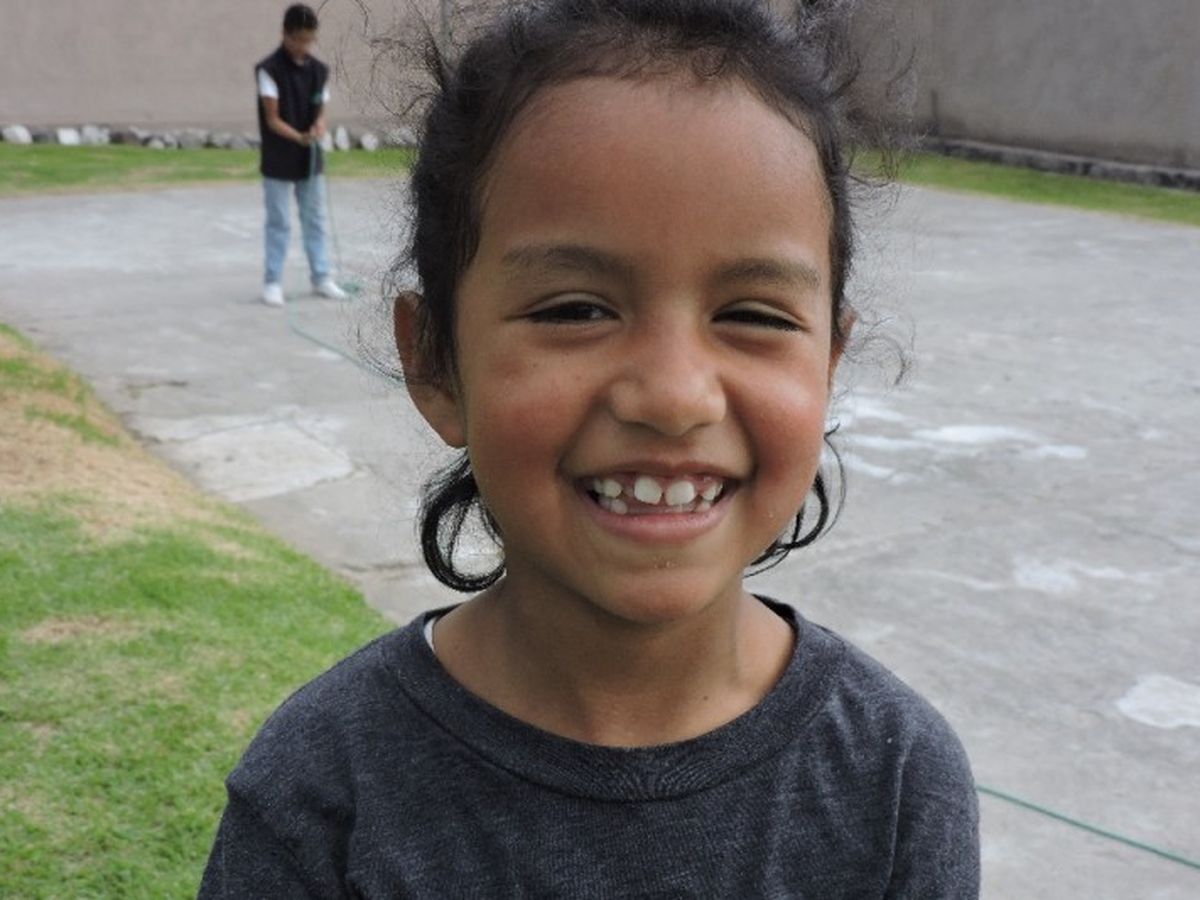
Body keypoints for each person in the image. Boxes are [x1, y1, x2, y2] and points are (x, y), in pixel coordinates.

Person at [201, 0, 980, 895]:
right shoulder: (321, 795)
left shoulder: (897, 782)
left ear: (829, 363)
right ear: (436, 361)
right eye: (575, 309)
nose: (675, 397)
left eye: (755, 315)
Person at [255, 3, 347, 307]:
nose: (305, 46)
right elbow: (272, 119)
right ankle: (272, 282)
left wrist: (319, 127)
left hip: (310, 159)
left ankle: (322, 277)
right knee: (279, 222)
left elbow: (320, 111)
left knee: (315, 219)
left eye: (310, 40)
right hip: (279, 157)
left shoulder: (319, 71)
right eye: (300, 40)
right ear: (285, 34)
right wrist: (299, 137)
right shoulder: (268, 70)